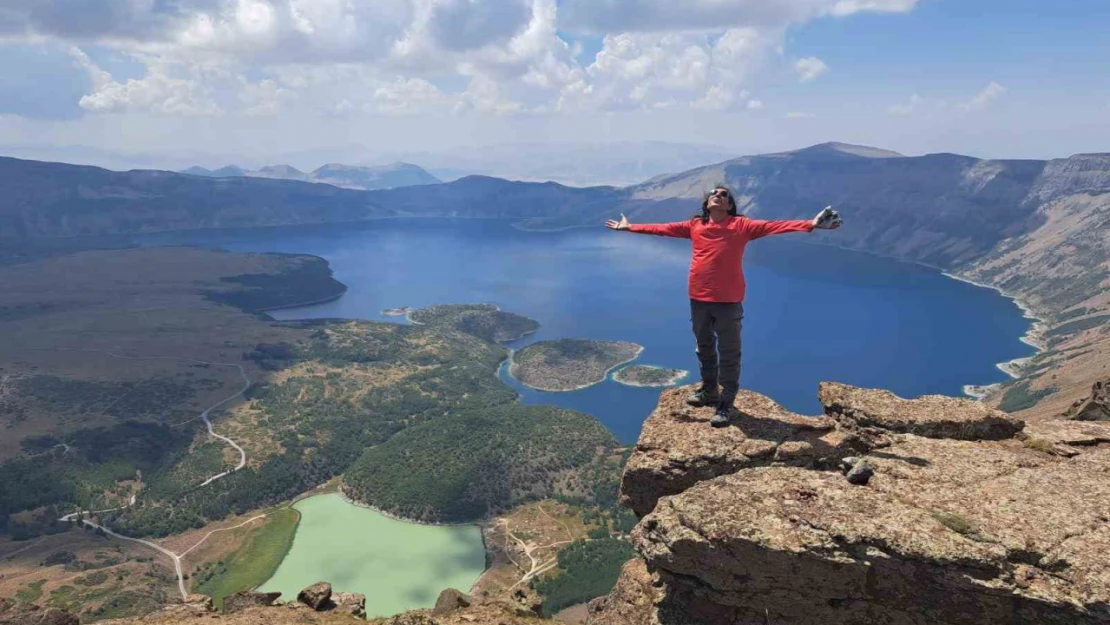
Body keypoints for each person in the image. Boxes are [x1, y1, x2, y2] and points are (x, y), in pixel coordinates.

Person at [606, 186, 842, 427]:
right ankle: (709, 391)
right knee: (704, 347)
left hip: (728, 301)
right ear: (707, 202)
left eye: (724, 195)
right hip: (698, 298)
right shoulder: (695, 225)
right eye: (713, 193)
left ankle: (725, 404)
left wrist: (810, 224)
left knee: (729, 353)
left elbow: (775, 225)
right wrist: (630, 227)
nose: (718, 195)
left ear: (730, 206)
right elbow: (663, 229)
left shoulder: (742, 226)